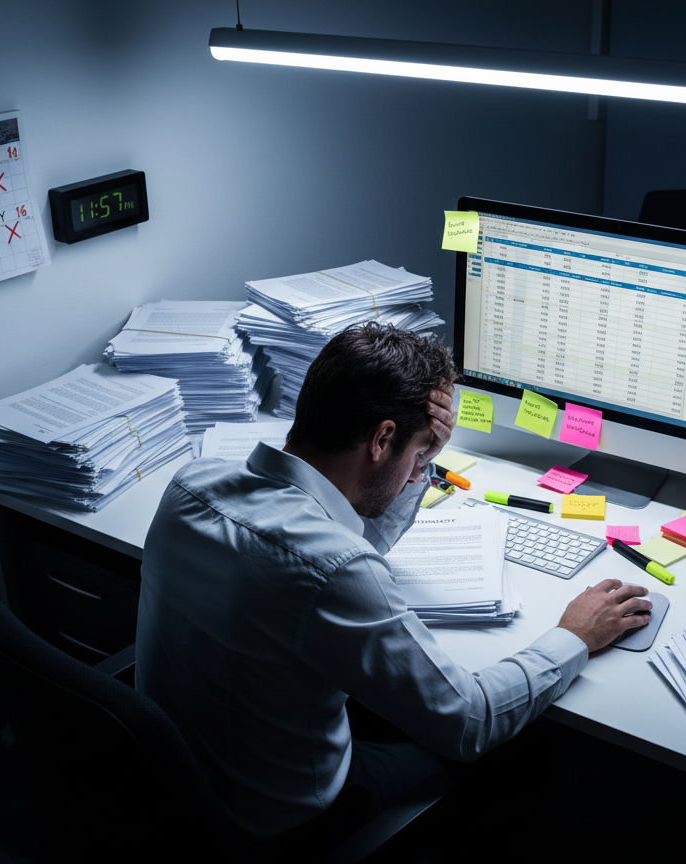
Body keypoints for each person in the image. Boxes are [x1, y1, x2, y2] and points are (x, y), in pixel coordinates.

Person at [135, 322, 651, 847]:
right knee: (524, 754)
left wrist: (420, 456)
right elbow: (469, 722)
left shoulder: (191, 485)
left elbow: (342, 528)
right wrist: (575, 635)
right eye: (415, 454)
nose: (415, 470)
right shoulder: (335, 568)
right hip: (281, 826)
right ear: (382, 439)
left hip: (177, 778)